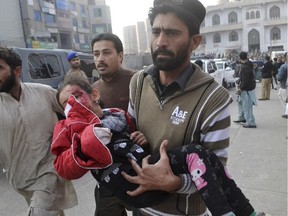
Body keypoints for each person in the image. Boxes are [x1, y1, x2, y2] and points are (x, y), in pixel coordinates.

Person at [119, 0, 262, 215]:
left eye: (172, 33)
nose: (161, 42)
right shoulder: (138, 82)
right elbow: (129, 136)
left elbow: (216, 172)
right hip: (141, 208)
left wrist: (173, 183)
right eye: (156, 31)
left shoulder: (214, 98)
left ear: (194, 42)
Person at [51, 75, 258, 216]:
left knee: (204, 157)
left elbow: (132, 135)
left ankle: (246, 211)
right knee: (195, 154)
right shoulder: (67, 128)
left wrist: (138, 137)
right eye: (65, 104)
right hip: (133, 183)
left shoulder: (117, 115)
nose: (72, 105)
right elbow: (62, 166)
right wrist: (87, 141)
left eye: (76, 97)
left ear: (94, 94)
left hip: (150, 166)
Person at [0, 46, 77, 215]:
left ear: (17, 70)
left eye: (0, 68)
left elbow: (73, 108)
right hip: (21, 177)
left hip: (51, 170)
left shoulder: (42, 92)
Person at [91, 32, 135, 216]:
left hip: (141, 167)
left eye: (106, 52)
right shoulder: (93, 92)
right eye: (96, 54)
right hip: (108, 173)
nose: (100, 59)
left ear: (120, 55)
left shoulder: (138, 81)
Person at [233, 51, 257, 128]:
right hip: (249, 88)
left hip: (246, 90)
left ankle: (251, 123)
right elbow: (245, 77)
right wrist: (239, 80)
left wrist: (241, 89)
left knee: (247, 107)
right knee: (241, 103)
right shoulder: (249, 64)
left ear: (240, 58)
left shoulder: (244, 67)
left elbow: (246, 80)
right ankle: (242, 118)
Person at [277, 53, 288, 119]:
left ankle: (286, 112)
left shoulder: (284, 66)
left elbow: (280, 77)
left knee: (283, 98)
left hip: (284, 85)